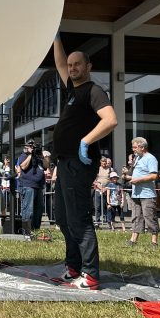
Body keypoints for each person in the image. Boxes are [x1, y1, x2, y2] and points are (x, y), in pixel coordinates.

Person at [51, 36, 117, 290]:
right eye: (71, 65)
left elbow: (110, 120)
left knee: (79, 218)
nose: (72, 68)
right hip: (65, 164)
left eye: (78, 64)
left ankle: (90, 275)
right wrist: (56, 37)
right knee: (63, 218)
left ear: (88, 66)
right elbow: (58, 63)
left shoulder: (94, 90)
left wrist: (85, 141)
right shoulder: (73, 90)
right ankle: (73, 267)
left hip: (79, 163)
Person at [124, 137, 159, 247]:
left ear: (142, 147)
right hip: (136, 193)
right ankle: (133, 240)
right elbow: (136, 174)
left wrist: (139, 180)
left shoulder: (151, 158)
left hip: (147, 194)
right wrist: (127, 176)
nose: (133, 149)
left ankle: (154, 242)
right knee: (136, 216)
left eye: (135, 147)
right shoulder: (137, 158)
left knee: (150, 217)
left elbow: (154, 175)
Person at [17, 141, 46, 233]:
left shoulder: (39, 157)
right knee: (28, 210)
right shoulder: (23, 155)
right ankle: (26, 232)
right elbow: (23, 167)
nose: (33, 148)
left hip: (39, 187)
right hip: (28, 186)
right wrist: (30, 155)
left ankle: (35, 231)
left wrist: (42, 155)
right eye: (31, 147)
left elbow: (46, 165)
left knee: (38, 211)